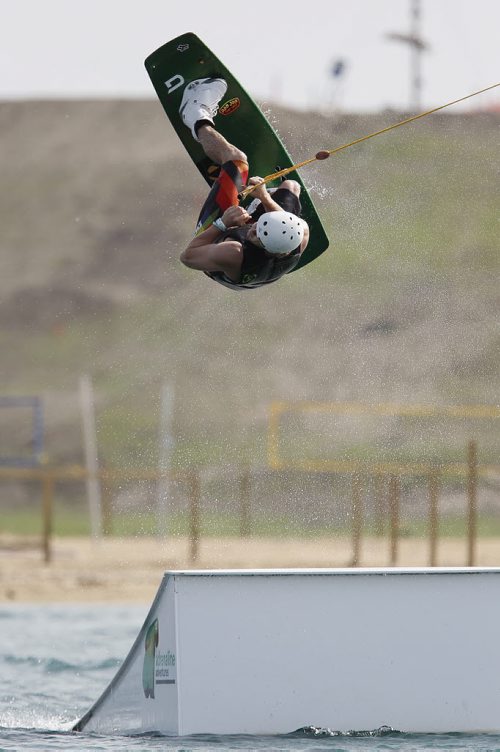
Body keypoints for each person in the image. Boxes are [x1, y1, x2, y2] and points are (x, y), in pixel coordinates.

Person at [178, 77, 310, 290]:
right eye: (260, 224)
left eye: (257, 233)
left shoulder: (232, 252)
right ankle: (253, 197)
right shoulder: (300, 233)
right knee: (291, 187)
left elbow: (187, 257)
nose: (253, 228)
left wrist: (223, 223)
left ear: (267, 248)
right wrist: (264, 197)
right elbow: (279, 221)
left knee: (236, 160)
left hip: (218, 256)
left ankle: (195, 116)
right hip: (264, 266)